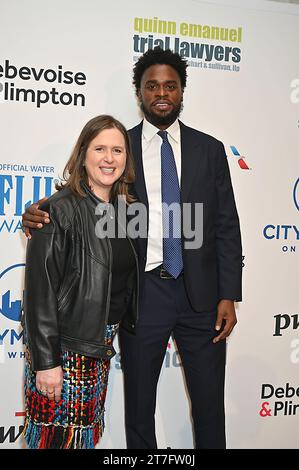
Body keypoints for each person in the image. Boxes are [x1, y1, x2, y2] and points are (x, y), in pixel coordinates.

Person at [22, 47, 242, 449]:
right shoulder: (120, 146)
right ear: (139, 93)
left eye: (170, 86)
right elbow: (86, 201)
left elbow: (226, 224)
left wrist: (229, 294)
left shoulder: (209, 149)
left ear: (181, 92)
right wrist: (36, 213)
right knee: (139, 406)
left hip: (203, 298)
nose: (161, 93)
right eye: (152, 85)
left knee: (210, 405)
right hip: (142, 295)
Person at [21, 114, 138, 449]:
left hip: (98, 343)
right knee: (58, 441)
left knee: (83, 439)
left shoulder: (126, 210)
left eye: (117, 150)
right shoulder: (57, 209)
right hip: (65, 346)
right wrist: (47, 363)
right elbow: (40, 291)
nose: (109, 158)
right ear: (83, 154)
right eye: (100, 148)